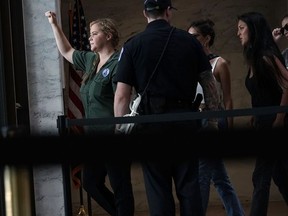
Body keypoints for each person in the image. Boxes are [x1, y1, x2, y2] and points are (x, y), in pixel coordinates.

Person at [113, 0, 220, 215]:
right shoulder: (190, 42)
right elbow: (209, 84)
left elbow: (122, 95)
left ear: (145, 13)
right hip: (185, 121)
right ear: (168, 12)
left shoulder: (133, 45)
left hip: (151, 124)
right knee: (190, 187)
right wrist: (213, 120)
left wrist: (121, 130)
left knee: (158, 190)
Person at [45, 11, 134, 216]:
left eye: (94, 33)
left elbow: (122, 98)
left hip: (113, 134)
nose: (90, 37)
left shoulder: (119, 62)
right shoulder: (91, 60)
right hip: (93, 137)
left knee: (120, 185)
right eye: (89, 33)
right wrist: (54, 24)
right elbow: (67, 51)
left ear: (109, 35)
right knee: (90, 182)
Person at [187, 19, 244, 216]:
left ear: (207, 39)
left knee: (202, 176)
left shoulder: (219, 63)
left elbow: (228, 99)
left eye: (195, 36)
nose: (191, 40)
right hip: (195, 122)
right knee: (219, 177)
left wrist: (228, 128)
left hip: (212, 121)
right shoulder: (190, 63)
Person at [237, 11, 288, 216]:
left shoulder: (266, 57)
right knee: (280, 176)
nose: (238, 33)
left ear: (253, 29)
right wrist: (255, 114)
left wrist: (279, 118)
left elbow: (287, 86)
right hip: (263, 122)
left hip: (274, 124)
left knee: (261, 177)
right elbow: (262, 91)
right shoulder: (257, 57)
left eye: (241, 28)